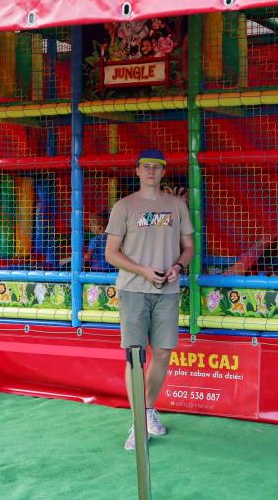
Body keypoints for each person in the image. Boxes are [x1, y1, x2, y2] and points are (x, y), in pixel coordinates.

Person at [104, 148, 195, 450]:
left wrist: (178, 266)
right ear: (137, 171)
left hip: (167, 290)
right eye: (146, 166)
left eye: (157, 167)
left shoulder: (177, 205)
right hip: (133, 289)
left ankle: (147, 410)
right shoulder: (124, 206)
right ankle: (138, 423)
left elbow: (189, 247)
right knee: (134, 356)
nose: (152, 171)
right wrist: (143, 270)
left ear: (164, 171)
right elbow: (111, 253)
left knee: (164, 352)